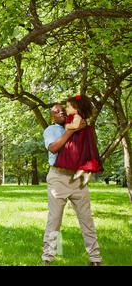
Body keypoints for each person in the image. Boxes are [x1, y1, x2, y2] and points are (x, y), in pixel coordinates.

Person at [42, 104, 102, 266]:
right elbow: (54, 148)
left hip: (78, 177)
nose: (60, 111)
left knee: (86, 219)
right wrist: (71, 130)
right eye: (56, 111)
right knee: (55, 219)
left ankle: (95, 258)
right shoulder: (51, 130)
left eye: (63, 109)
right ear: (52, 117)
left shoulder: (80, 127)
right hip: (58, 178)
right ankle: (49, 257)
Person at [54, 95, 103, 188]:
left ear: (76, 109)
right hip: (80, 139)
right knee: (82, 159)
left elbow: (76, 126)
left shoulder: (76, 116)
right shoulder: (76, 116)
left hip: (78, 139)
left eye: (68, 107)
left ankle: (82, 173)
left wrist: (67, 126)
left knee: (76, 156)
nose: (66, 109)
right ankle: (83, 174)